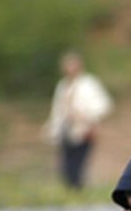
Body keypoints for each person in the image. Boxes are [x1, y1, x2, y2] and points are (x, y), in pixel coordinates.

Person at [44, 52, 113, 191]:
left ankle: (78, 189)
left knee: (79, 162)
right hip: (66, 128)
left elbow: (104, 105)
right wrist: (52, 127)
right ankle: (70, 190)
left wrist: (85, 115)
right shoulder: (63, 85)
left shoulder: (89, 83)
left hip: (84, 129)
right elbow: (58, 109)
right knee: (65, 163)